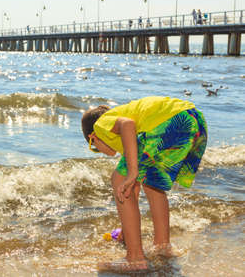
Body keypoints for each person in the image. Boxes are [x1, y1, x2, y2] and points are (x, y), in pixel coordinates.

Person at [81, 96, 208, 273]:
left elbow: (126, 125)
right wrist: (127, 232)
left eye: (94, 147)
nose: (99, 152)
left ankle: (135, 259)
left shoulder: (100, 124)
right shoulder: (136, 136)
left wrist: (132, 172)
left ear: (92, 137)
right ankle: (162, 247)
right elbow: (134, 190)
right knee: (151, 184)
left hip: (172, 121)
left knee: (118, 180)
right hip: (194, 120)